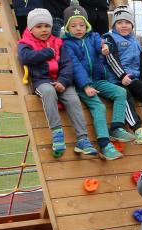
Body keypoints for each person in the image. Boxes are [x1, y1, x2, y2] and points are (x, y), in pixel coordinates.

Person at [17, 9, 97, 158]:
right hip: (42, 81)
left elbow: (67, 65)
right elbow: (25, 57)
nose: (44, 30)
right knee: (48, 92)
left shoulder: (58, 42)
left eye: (47, 26)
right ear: (30, 28)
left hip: (61, 81)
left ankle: (82, 139)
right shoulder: (25, 43)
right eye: (39, 26)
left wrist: (63, 81)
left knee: (73, 98)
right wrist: (47, 53)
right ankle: (57, 133)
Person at [61, 4, 137, 160]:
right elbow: (75, 66)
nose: (78, 29)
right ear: (68, 28)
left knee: (120, 92)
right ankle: (104, 144)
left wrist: (105, 48)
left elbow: (101, 44)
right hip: (82, 84)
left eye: (82, 25)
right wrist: (85, 86)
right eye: (74, 26)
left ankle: (116, 127)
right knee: (98, 106)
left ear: (87, 25)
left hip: (98, 79)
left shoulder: (93, 36)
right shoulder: (67, 44)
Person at [101, 8, 142, 145]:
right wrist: (122, 75)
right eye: (120, 23)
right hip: (116, 79)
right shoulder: (109, 38)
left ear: (132, 26)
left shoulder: (135, 42)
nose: (124, 25)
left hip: (132, 78)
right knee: (126, 96)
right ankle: (138, 130)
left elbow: (141, 65)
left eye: (127, 22)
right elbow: (111, 59)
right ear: (114, 25)